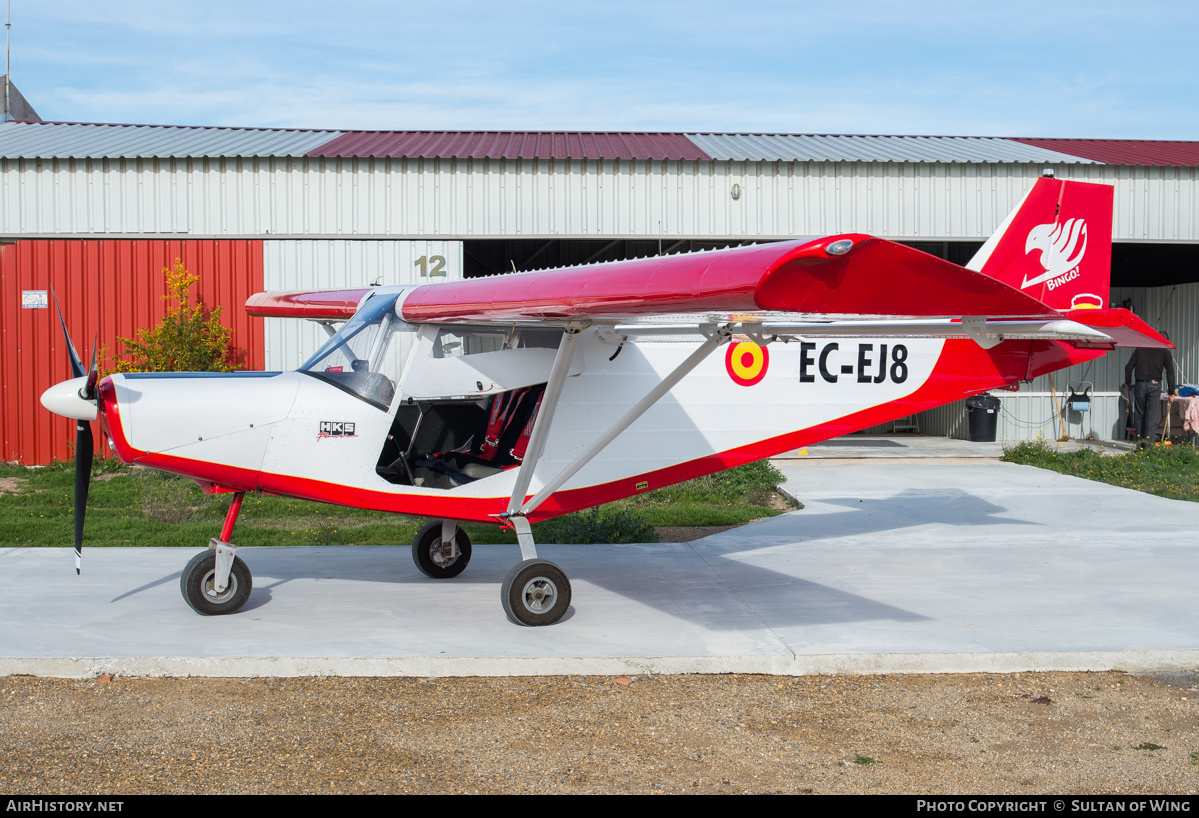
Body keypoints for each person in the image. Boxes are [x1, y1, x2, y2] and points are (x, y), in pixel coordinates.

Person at [1124, 332, 1176, 449]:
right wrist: (1171, 392)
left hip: (1140, 384)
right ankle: (1148, 448)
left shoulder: (1141, 349)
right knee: (1150, 416)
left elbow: (1128, 367)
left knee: (1139, 415)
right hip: (1154, 385)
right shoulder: (1165, 352)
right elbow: (1170, 373)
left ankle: (1139, 446)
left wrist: (1127, 382)